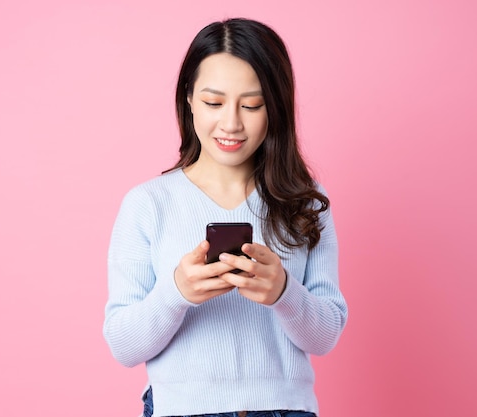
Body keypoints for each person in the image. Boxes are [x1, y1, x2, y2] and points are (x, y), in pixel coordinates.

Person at [103, 17, 348, 417]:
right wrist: (176, 292)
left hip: (286, 408)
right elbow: (123, 346)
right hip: (180, 410)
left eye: (251, 105)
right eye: (213, 103)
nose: (231, 123)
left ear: (276, 105)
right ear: (188, 98)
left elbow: (325, 337)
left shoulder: (305, 201)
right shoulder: (148, 204)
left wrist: (284, 292)